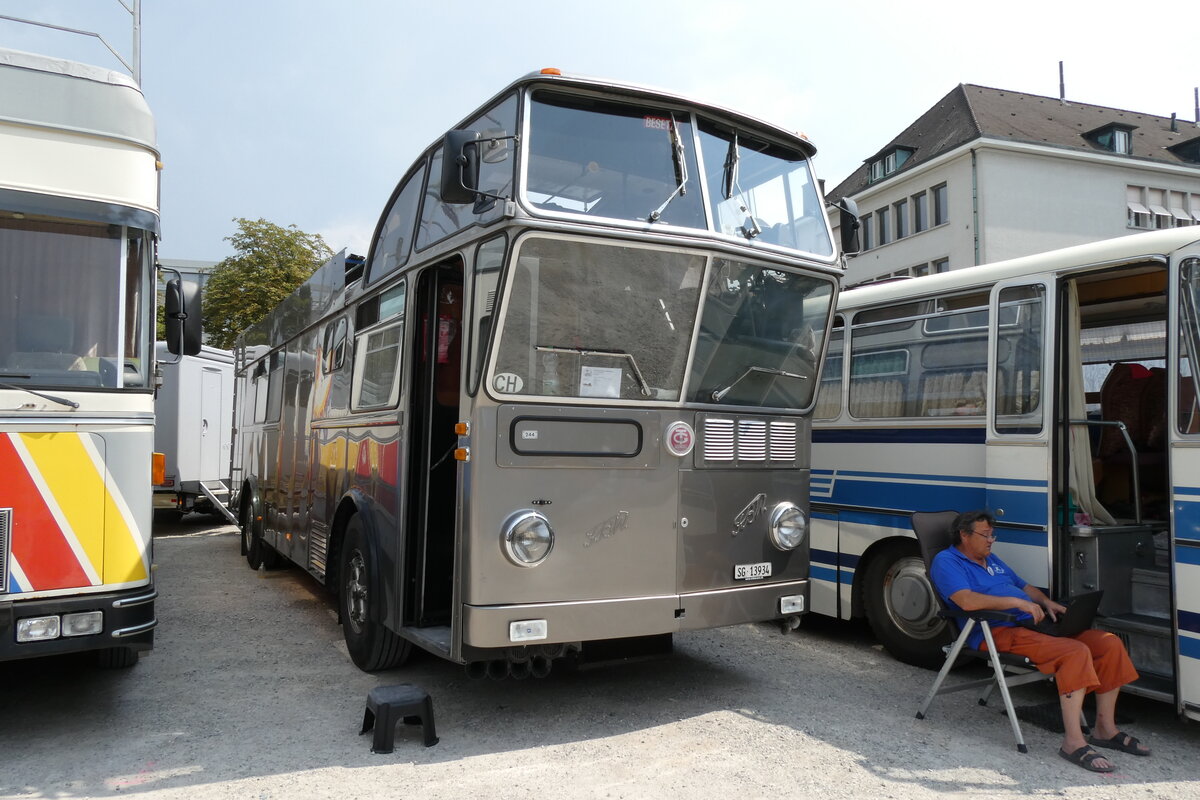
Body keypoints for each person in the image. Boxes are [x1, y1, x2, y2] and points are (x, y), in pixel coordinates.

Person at [929, 510, 1150, 773]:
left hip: (1034, 625)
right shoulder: (947, 562)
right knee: (1075, 652)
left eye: (992, 535)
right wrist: (1016, 603)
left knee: (1109, 643)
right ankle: (1073, 742)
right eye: (985, 535)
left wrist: (1046, 602)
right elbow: (966, 601)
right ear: (964, 535)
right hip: (997, 629)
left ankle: (1105, 728)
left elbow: (1023, 586)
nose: (991, 540)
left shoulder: (991, 559)